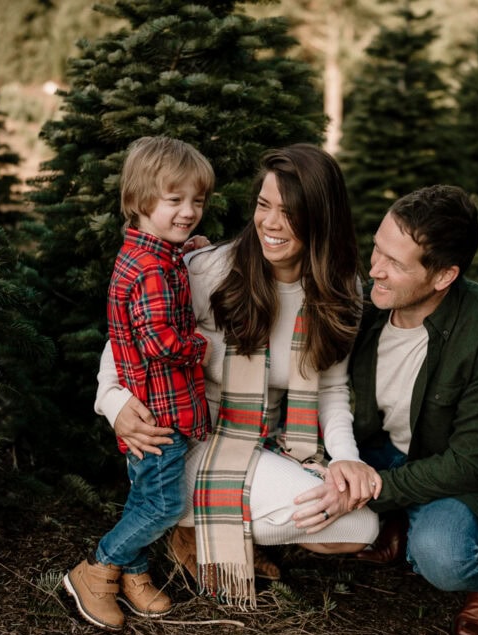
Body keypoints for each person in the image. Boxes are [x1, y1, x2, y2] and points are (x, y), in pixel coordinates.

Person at [94, 144, 381, 607]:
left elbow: (330, 386)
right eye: (263, 206)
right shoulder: (210, 269)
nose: (269, 223)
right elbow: (124, 336)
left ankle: (198, 528)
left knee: (356, 528)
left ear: (320, 218)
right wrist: (114, 404)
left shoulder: (339, 288)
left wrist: (345, 457)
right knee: (348, 522)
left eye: (289, 212)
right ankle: (186, 524)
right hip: (184, 440)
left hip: (270, 436)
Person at [291, 185, 478, 635]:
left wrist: (376, 491)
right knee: (302, 507)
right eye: (376, 250)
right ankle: (399, 522)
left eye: (395, 264)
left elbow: (473, 463)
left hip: (461, 472)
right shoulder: (364, 307)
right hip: (383, 450)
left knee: (442, 556)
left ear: (444, 276)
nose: (374, 270)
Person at [63, 136, 214, 631]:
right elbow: (160, 341)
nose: (189, 211)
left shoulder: (151, 253)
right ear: (141, 199)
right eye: (175, 200)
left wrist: (186, 251)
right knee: (165, 504)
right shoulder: (152, 269)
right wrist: (201, 346)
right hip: (159, 414)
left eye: (197, 200)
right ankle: (97, 568)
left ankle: (134, 574)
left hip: (153, 407)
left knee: (143, 497)